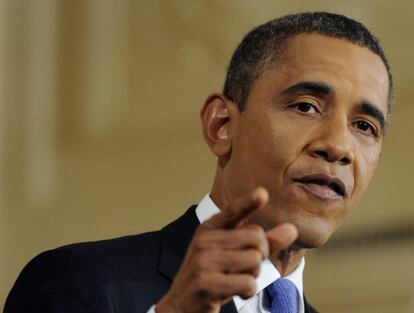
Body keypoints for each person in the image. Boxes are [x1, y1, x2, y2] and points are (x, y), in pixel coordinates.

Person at [4, 11, 392, 313]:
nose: (339, 146)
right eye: (305, 106)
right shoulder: (79, 283)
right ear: (221, 125)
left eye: (364, 126)